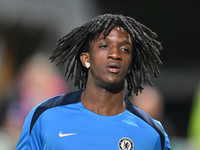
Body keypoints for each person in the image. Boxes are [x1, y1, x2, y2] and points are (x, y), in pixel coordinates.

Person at [16, 14, 171, 150]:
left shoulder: (152, 133)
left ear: (131, 65)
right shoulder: (44, 116)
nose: (115, 54)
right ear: (86, 59)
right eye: (104, 46)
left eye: (124, 49)